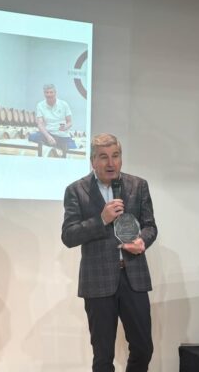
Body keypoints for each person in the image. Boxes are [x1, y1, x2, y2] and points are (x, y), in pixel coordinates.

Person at [62, 133, 157, 372]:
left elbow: (150, 226)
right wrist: (101, 219)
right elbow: (69, 236)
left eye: (115, 156)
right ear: (93, 161)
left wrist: (142, 241)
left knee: (144, 348)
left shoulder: (138, 185)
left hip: (134, 277)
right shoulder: (76, 190)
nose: (111, 163)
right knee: (103, 357)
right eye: (103, 157)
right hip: (98, 281)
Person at [29, 84, 76, 156]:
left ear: (55, 93)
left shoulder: (64, 104)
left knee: (73, 149)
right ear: (44, 94)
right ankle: (51, 145)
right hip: (48, 134)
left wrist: (65, 127)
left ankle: (56, 145)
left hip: (62, 135)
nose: (49, 94)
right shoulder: (40, 105)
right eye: (47, 92)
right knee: (31, 137)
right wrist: (48, 137)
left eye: (51, 92)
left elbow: (70, 122)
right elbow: (40, 124)